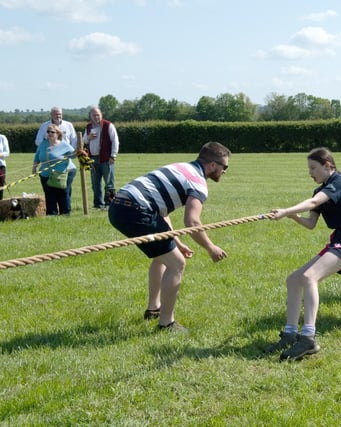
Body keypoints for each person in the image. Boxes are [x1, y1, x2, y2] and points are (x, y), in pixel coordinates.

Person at [108, 142, 230, 332]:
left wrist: (176, 242)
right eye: (225, 167)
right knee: (177, 263)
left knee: (163, 256)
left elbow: (162, 211)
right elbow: (193, 222)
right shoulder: (198, 182)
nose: (225, 171)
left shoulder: (180, 167)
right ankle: (167, 323)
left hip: (119, 206)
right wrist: (210, 247)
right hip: (136, 210)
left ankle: (153, 309)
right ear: (213, 165)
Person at [267, 147, 341, 361]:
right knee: (294, 279)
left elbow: (313, 204)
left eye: (313, 167)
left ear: (328, 165)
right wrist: (291, 216)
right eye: (308, 168)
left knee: (309, 277)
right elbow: (311, 223)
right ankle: (290, 333)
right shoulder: (319, 190)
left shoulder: (340, 181)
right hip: (339, 239)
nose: (310, 172)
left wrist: (286, 210)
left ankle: (308, 338)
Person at [35, 107, 78, 212]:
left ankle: (65, 212)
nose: (49, 133)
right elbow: (37, 153)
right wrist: (34, 167)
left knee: (63, 192)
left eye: (52, 132)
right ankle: (52, 214)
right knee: (50, 194)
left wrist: (76, 153)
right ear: (51, 115)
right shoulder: (43, 142)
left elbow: (74, 148)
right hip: (46, 172)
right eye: (48, 132)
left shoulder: (67, 133)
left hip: (64, 170)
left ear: (58, 134)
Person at [82, 107, 119, 209]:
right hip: (92, 159)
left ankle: (110, 204)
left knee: (109, 182)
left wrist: (113, 156)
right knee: (95, 183)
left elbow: (115, 141)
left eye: (98, 114)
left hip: (106, 159)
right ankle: (98, 204)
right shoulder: (88, 127)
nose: (96, 117)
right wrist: (88, 138)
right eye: (94, 115)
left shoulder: (108, 125)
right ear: (90, 116)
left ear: (101, 115)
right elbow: (83, 141)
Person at [0, 133, 9, 200]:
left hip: (1, 166)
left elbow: (7, 152)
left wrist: (0, 154)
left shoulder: (2, 137)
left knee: (1, 187)